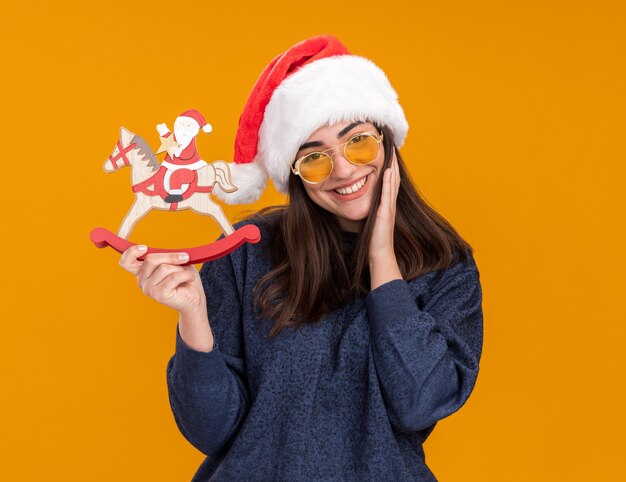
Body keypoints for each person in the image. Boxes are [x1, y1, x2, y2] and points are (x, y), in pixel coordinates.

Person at [119, 34, 484, 482]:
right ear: (294, 172)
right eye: (314, 157)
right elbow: (210, 431)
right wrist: (193, 316)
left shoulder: (446, 265)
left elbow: (420, 405)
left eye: (358, 142)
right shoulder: (246, 249)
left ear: (388, 141)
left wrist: (382, 259)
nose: (344, 170)